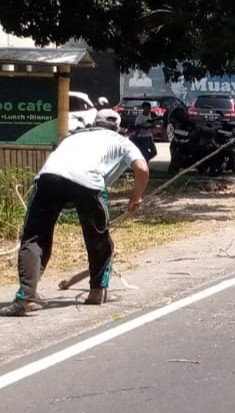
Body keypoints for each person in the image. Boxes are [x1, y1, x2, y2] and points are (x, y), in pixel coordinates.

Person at [2, 109, 150, 316]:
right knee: (98, 237)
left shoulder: (73, 137)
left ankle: (26, 296)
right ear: (117, 127)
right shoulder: (122, 141)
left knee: (35, 237)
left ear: (94, 123)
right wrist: (136, 198)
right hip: (88, 182)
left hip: (49, 178)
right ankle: (97, 292)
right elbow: (142, 169)